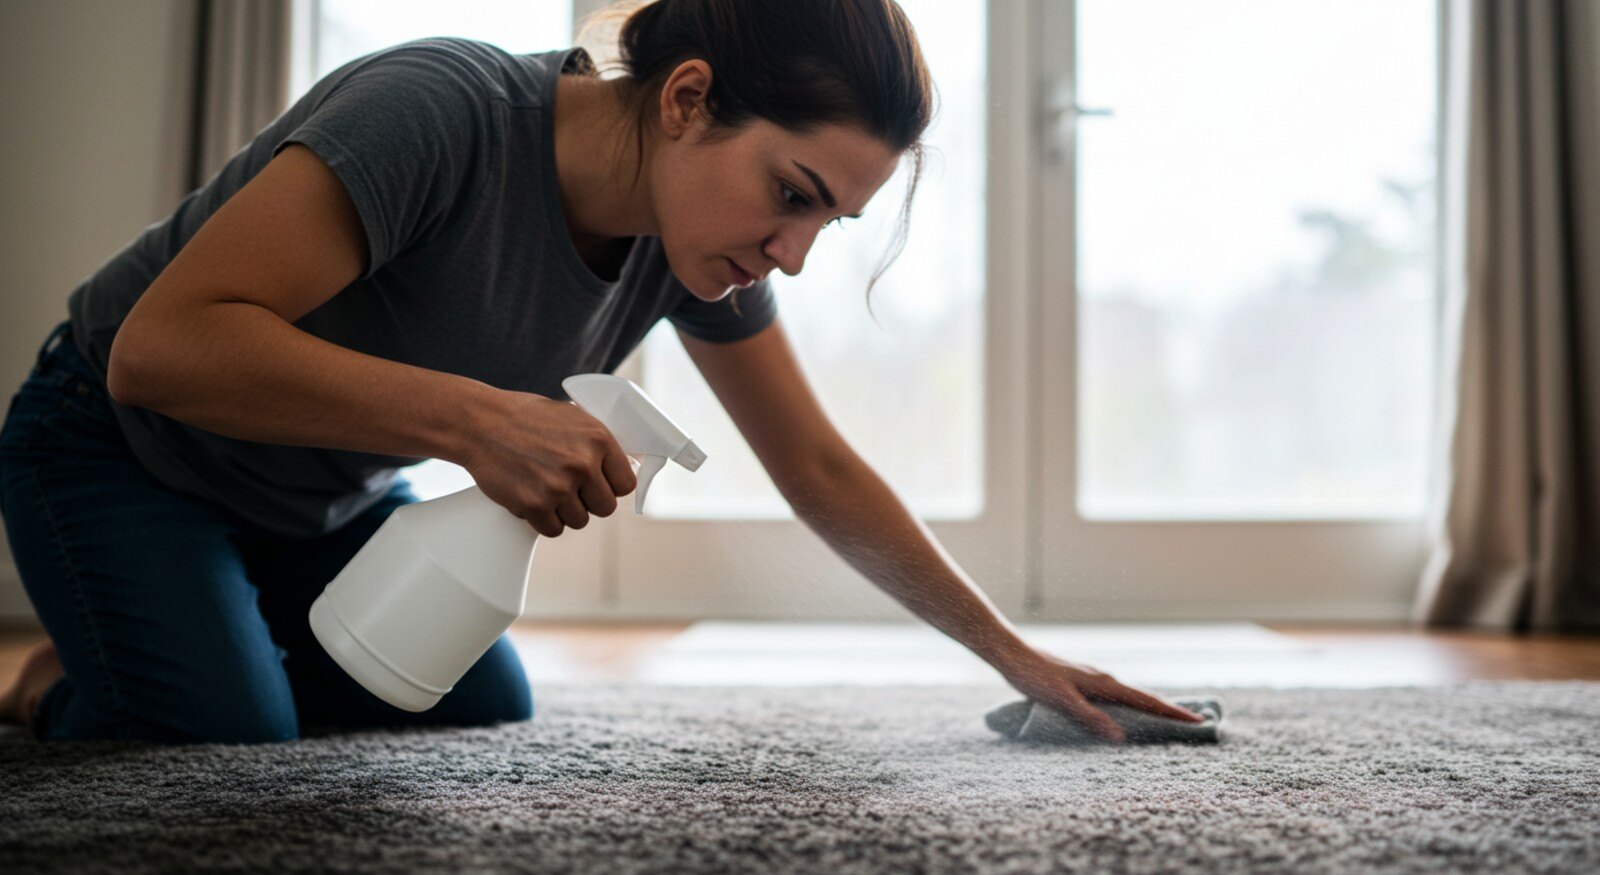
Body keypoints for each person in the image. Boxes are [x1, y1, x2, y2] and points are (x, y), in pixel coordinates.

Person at [0, 0, 1201, 744]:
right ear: (686, 99)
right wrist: (478, 422)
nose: (788, 252)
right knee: (221, 734)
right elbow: (164, 349)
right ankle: (53, 681)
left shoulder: (687, 248)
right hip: (117, 448)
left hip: (321, 499)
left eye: (825, 224)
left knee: (475, 704)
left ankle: (207, 623)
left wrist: (1017, 655)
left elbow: (819, 465)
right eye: (792, 194)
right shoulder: (438, 113)